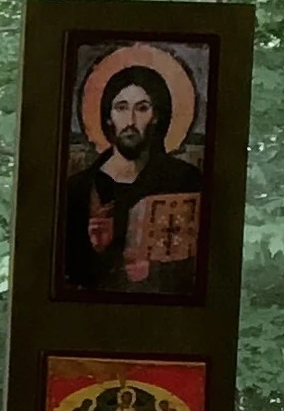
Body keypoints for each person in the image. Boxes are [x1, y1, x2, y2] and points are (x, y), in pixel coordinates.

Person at [62, 60, 202, 295]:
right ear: (108, 117)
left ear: (156, 116)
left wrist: (156, 269)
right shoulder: (80, 188)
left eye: (142, 108)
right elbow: (68, 274)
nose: (130, 122)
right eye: (121, 108)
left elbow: (202, 263)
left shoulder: (185, 180)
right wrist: (97, 249)